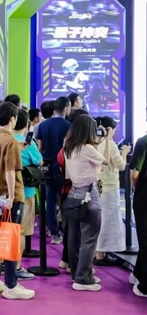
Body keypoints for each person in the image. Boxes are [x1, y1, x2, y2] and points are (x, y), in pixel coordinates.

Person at [0, 102, 35, 300]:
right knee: (11, 238)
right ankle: (11, 285)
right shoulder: (10, 140)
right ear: (13, 119)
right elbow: (10, 171)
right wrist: (12, 196)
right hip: (9, 198)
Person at [63, 115, 109, 291]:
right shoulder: (87, 148)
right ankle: (83, 279)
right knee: (89, 238)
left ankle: (78, 274)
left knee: (74, 237)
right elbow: (106, 161)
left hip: (74, 192)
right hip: (89, 193)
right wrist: (107, 140)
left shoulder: (69, 146)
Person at [35, 96, 71, 245]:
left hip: (47, 166)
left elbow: (40, 148)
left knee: (50, 200)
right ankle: (66, 231)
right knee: (65, 199)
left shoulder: (43, 125)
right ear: (66, 108)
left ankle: (54, 232)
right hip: (64, 166)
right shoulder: (68, 125)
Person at [11, 109, 43, 280]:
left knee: (7, 229)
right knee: (21, 231)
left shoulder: (4, 140)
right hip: (25, 191)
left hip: (5, 192)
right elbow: (39, 161)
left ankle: (3, 263)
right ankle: (16, 267)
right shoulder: (26, 143)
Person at [94, 116, 129, 266]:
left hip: (99, 184)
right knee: (108, 220)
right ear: (110, 129)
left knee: (100, 219)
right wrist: (124, 153)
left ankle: (97, 252)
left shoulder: (95, 142)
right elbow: (121, 165)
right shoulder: (111, 145)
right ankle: (101, 254)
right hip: (109, 186)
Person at [130, 132, 147, 297]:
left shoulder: (143, 142)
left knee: (144, 236)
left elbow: (134, 174)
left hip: (144, 196)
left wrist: (137, 189)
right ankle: (138, 273)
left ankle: (144, 285)